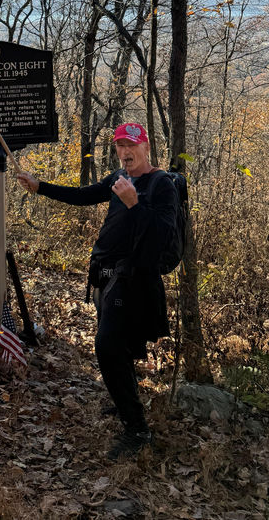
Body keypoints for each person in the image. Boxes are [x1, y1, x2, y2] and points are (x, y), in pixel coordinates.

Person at [17, 122, 178, 461]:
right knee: (119, 349)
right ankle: (124, 402)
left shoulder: (161, 184)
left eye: (131, 145)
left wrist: (135, 203)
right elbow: (83, 195)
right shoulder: (118, 178)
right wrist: (40, 187)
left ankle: (138, 429)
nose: (124, 152)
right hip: (106, 276)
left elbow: (162, 235)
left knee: (106, 346)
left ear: (146, 147)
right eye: (120, 145)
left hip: (131, 279)